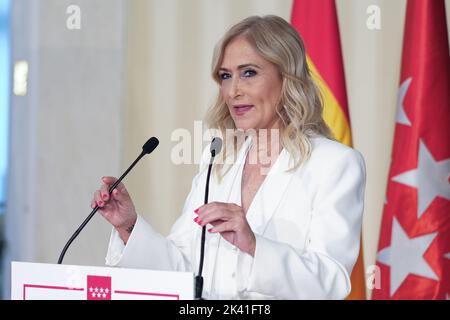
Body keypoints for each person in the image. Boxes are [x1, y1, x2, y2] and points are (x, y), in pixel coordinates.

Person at [91, 15, 366, 299]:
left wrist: (254, 245)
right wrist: (129, 224)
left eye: (249, 73)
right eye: (225, 76)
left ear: (287, 77)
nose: (233, 91)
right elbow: (185, 269)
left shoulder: (335, 164)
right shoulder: (219, 161)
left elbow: (331, 282)